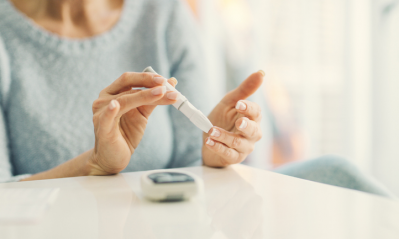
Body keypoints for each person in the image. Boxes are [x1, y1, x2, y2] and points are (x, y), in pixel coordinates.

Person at [0, 0, 394, 198]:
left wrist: (217, 150)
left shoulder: (161, 12)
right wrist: (94, 164)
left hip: (174, 222)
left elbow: (196, 168)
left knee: (339, 176)